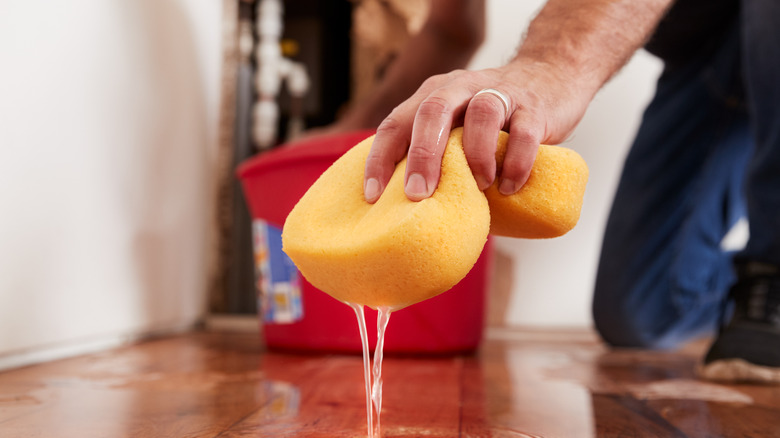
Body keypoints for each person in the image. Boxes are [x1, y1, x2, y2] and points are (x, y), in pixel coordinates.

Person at [323, 0, 780, 382]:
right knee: (643, 313)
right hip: (708, 51)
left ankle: (771, 267)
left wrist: (550, 66)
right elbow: (450, 30)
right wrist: (344, 135)